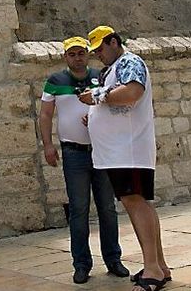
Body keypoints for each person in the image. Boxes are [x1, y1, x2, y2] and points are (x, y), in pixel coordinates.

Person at [78, 26, 169, 291]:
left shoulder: (129, 61)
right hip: (122, 151)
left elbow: (132, 92)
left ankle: (152, 269)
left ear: (114, 42)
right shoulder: (117, 66)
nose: (98, 56)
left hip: (127, 151)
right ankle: (159, 265)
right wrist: (96, 116)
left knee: (135, 203)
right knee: (142, 204)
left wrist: (97, 97)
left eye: (100, 49)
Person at [39, 35, 127, 284]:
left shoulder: (100, 76)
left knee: (107, 208)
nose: (77, 57)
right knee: (78, 209)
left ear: (87, 54)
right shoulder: (54, 81)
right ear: (66, 57)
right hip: (73, 152)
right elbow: (46, 115)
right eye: (72, 54)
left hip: (100, 150)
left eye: (81, 53)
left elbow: (113, 104)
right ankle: (81, 264)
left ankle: (113, 259)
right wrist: (48, 145)